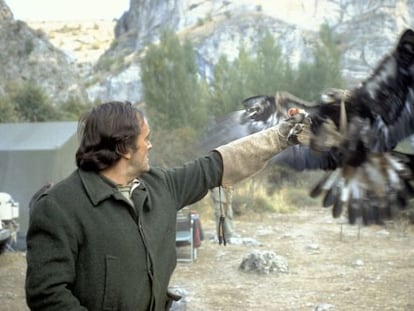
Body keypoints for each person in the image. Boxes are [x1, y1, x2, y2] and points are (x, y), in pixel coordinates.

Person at [25, 101, 309, 311]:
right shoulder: (59, 207)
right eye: (145, 139)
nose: (150, 146)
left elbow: (216, 164)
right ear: (124, 148)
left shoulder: (160, 186)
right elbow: (47, 295)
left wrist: (281, 136)